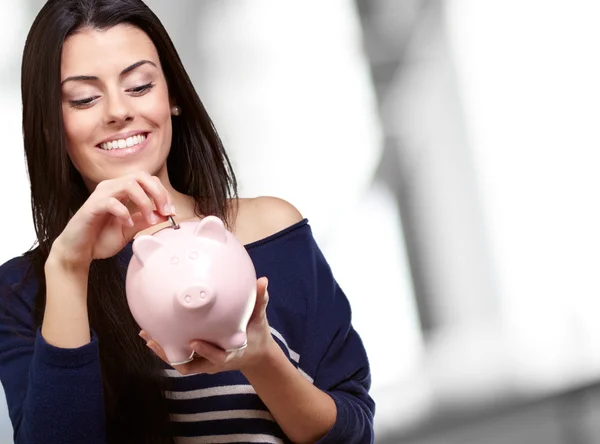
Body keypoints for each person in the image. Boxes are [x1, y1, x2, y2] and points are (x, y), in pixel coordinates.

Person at [0, 0, 375, 443]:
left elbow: (354, 432)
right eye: (84, 98)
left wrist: (260, 357)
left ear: (172, 95)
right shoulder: (27, 290)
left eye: (139, 86)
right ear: (49, 125)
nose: (118, 111)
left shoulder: (272, 230)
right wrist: (68, 267)